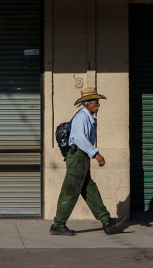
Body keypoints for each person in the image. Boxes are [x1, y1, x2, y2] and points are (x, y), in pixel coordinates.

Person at [50, 87, 127, 236]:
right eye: (96, 102)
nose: (98, 105)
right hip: (77, 156)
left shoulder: (87, 117)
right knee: (70, 190)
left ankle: (106, 221)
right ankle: (58, 225)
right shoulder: (82, 117)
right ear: (88, 103)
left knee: (89, 189)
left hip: (81, 157)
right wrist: (95, 154)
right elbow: (79, 138)